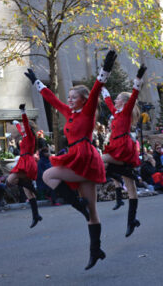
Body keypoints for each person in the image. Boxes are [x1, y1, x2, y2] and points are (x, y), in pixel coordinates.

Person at [25, 50, 117, 270]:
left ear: (83, 100)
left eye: (74, 97)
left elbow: (95, 90)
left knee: (48, 174)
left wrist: (105, 70)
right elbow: (52, 99)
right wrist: (37, 82)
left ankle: (79, 205)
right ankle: (96, 251)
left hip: (84, 157)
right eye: (69, 97)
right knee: (92, 212)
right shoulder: (69, 112)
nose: (69, 99)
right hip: (77, 156)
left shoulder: (87, 111)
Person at [101, 64, 147, 237]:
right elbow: (106, 100)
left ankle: (121, 179)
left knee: (103, 159)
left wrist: (138, 79)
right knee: (132, 188)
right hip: (116, 145)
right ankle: (132, 220)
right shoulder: (116, 111)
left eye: (118, 99)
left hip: (123, 148)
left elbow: (134, 94)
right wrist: (101, 83)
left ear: (125, 102)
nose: (115, 100)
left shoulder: (126, 111)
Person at [7, 105, 42, 228]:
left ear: (29, 127)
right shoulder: (26, 136)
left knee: (10, 180)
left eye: (23, 126)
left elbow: (25, 125)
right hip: (24, 160)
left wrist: (23, 112)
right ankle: (36, 215)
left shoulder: (30, 136)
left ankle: (32, 187)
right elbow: (22, 129)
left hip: (27, 162)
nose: (21, 127)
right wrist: (16, 123)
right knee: (28, 193)